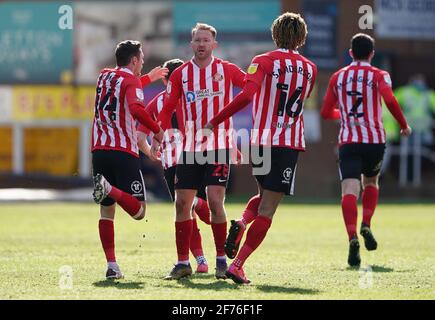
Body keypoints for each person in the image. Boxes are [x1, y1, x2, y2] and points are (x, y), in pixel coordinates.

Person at [205, 12, 317, 284]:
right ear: (301, 37)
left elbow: (246, 95)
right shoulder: (310, 68)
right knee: (268, 207)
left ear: (274, 34)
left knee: (262, 194)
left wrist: (216, 119)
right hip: (286, 143)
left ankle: (242, 222)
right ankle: (238, 265)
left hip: (259, 141)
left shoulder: (262, 61)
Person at [151, 23, 246, 280]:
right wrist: (157, 135)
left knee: (215, 201)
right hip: (190, 148)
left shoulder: (225, 69)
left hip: (219, 146)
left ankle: (220, 261)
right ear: (191, 45)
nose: (201, 44)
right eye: (197, 40)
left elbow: (250, 87)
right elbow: (169, 105)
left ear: (214, 45)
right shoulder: (181, 74)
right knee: (182, 203)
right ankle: (183, 263)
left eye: (206, 40)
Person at [320, 33, 412, 267]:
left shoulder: (338, 77)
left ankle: (352, 237)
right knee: (370, 183)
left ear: (350, 53)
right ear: (372, 53)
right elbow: (390, 100)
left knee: (349, 191)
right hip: (374, 142)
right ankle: (366, 224)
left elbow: (325, 113)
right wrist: (403, 125)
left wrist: (345, 115)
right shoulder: (380, 74)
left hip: (349, 142)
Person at [91, 40, 167, 279]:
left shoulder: (104, 76)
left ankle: (112, 266)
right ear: (134, 60)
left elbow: (123, 88)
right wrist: (157, 130)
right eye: (141, 58)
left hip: (99, 150)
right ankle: (110, 189)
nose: (143, 62)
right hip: (123, 150)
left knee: (106, 212)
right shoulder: (131, 81)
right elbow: (135, 108)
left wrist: (148, 78)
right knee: (140, 212)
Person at [137, 58, 212, 274]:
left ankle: (198, 259)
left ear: (165, 81)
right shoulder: (198, 97)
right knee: (193, 212)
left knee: (185, 211)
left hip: (172, 163)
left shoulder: (158, 102)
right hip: (197, 157)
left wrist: (150, 151)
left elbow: (140, 136)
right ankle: (202, 260)